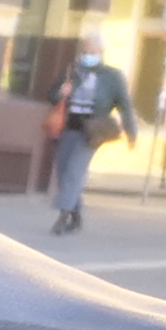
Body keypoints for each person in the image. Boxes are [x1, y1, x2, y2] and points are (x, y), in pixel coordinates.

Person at [49, 39, 133, 235]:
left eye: (93, 51)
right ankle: (76, 215)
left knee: (74, 172)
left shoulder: (112, 76)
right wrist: (61, 92)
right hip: (69, 127)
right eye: (86, 51)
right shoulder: (72, 72)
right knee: (63, 171)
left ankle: (63, 216)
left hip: (92, 131)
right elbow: (51, 96)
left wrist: (131, 131)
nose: (89, 55)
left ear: (101, 53)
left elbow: (124, 105)